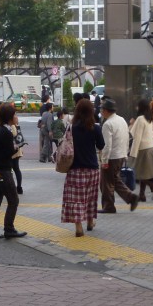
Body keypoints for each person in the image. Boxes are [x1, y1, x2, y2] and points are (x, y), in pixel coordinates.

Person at [61, 98, 105, 236]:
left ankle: (79, 227)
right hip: (92, 169)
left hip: (75, 169)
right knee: (91, 198)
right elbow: (101, 145)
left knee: (76, 199)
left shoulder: (71, 128)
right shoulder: (95, 128)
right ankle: (90, 222)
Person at [0, 103, 27, 240]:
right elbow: (9, 152)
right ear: (10, 117)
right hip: (3, 171)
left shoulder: (1, 130)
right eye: (14, 114)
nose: (16, 117)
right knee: (13, 200)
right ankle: (9, 229)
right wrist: (16, 147)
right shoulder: (6, 132)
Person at [98, 99, 139, 213]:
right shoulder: (121, 120)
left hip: (111, 157)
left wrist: (104, 160)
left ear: (106, 110)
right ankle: (131, 197)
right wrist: (125, 153)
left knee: (106, 183)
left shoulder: (107, 124)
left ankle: (109, 206)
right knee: (115, 180)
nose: (101, 111)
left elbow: (107, 145)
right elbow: (127, 137)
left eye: (102, 109)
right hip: (120, 155)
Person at [129, 98, 153, 202]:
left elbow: (137, 137)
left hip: (143, 149)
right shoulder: (148, 118)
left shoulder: (140, 119)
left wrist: (133, 153)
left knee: (139, 173)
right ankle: (142, 195)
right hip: (151, 148)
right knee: (143, 173)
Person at [9, 111, 25, 194]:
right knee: (16, 169)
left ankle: (14, 187)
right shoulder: (17, 125)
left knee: (11, 169)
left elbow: (13, 134)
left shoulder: (12, 126)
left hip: (13, 151)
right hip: (18, 150)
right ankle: (19, 187)